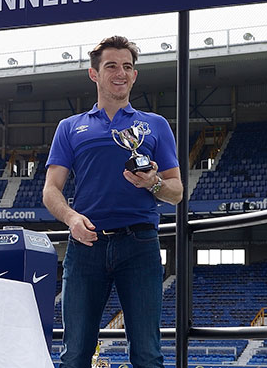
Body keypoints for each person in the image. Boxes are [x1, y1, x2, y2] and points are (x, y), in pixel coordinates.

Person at [43, 35, 183, 368]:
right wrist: (71, 219)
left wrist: (153, 183)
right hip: (85, 243)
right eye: (111, 66)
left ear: (134, 75)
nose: (120, 73)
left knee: (148, 354)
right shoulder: (70, 127)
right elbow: (51, 189)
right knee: (74, 352)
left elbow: (176, 192)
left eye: (127, 67)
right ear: (94, 73)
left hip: (141, 245)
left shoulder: (155, 125)